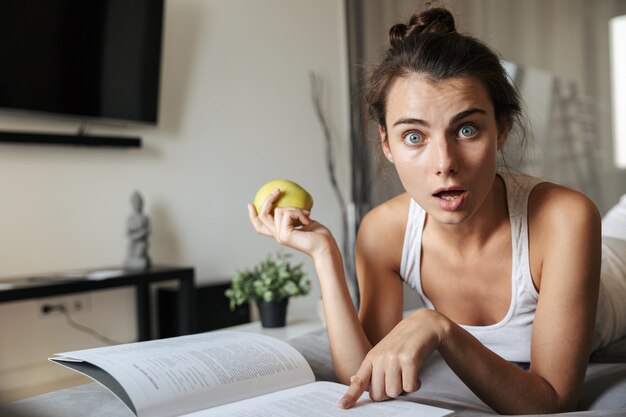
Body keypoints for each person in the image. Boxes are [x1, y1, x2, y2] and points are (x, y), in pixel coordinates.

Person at [248, 6, 626, 415]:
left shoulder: (565, 217)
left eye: (467, 129)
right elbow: (362, 375)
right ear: (386, 144)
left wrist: (438, 326)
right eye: (414, 136)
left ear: (501, 129)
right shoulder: (383, 233)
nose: (444, 162)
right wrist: (324, 253)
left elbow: (551, 400)